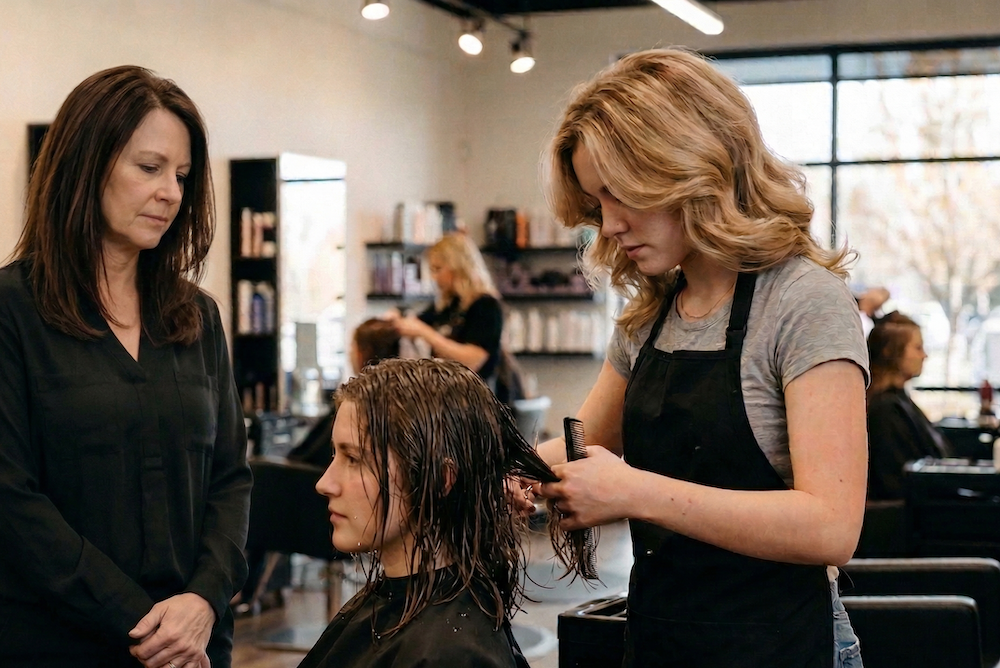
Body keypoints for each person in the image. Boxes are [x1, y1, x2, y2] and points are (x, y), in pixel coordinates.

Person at [529, 48, 870, 667]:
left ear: (689, 167)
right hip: (663, 637)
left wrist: (635, 492)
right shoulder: (651, 313)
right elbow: (584, 445)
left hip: (778, 645)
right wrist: (490, 474)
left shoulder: (802, 301)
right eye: (597, 204)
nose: (608, 225)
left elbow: (830, 526)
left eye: (619, 194)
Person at [0, 66, 251, 667]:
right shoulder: (13, 311)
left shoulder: (197, 316)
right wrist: (143, 622)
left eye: (181, 175)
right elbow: (10, 499)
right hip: (58, 644)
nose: (171, 192)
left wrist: (203, 600)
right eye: (149, 167)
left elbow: (230, 477)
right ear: (86, 165)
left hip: (193, 645)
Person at [298, 358, 561, 668]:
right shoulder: (400, 612)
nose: (324, 483)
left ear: (438, 479)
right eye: (335, 454)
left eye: (354, 459)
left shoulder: (450, 654)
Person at [388, 232, 506, 386]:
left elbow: (472, 362)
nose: (434, 277)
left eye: (438, 269)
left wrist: (425, 333)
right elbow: (416, 322)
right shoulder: (449, 304)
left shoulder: (486, 306)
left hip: (476, 395)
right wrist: (396, 318)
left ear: (458, 266)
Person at [866, 312, 950, 500]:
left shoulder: (898, 401)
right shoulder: (885, 410)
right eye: (918, 348)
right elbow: (896, 484)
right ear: (891, 351)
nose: (924, 355)